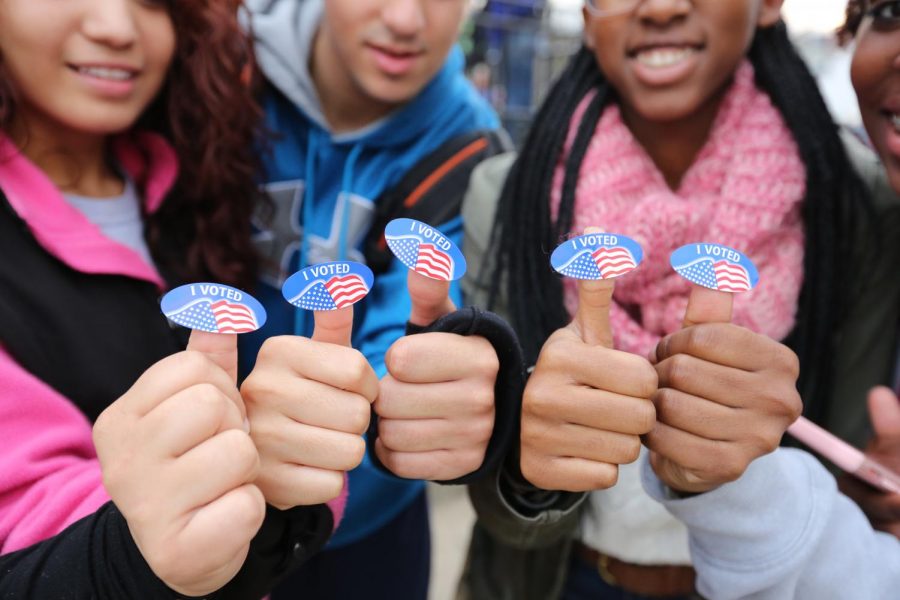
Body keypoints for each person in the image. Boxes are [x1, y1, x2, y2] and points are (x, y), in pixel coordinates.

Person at [456, 0, 900, 598]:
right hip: (566, 578)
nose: (661, 7)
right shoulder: (508, 195)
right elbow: (501, 504)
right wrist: (530, 462)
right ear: (587, 18)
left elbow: (846, 468)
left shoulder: (851, 200)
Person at [0, 0, 362, 596]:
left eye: (151, 1)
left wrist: (298, 459)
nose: (115, 29)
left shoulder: (206, 181)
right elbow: (26, 524)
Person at [242, 1, 508, 598]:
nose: (407, 20)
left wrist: (424, 396)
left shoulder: (470, 146)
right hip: (195, 495)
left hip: (368, 519)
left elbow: (412, 345)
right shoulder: (222, 76)